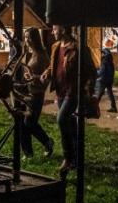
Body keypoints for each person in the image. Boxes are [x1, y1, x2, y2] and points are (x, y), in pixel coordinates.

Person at [41, 25, 96, 174]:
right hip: (60, 91)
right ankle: (77, 159)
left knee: (61, 119)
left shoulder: (78, 48)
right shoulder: (55, 46)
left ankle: (68, 157)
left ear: (63, 29)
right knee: (70, 125)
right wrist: (47, 73)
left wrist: (88, 91)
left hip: (73, 92)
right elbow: (53, 65)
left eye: (55, 29)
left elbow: (91, 71)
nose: (52, 32)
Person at [21, 28, 54, 159]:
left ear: (35, 38)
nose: (27, 40)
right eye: (25, 37)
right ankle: (28, 153)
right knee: (25, 123)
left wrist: (32, 77)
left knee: (29, 123)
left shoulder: (42, 55)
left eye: (29, 37)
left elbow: (46, 78)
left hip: (37, 94)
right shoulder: (31, 54)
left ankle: (46, 142)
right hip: (27, 92)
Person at [95, 48, 117, 112]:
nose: (102, 54)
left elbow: (102, 71)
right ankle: (114, 107)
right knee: (110, 93)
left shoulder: (104, 60)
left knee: (99, 93)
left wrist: (96, 74)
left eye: (102, 53)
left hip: (104, 79)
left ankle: (95, 107)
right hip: (109, 79)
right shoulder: (110, 61)